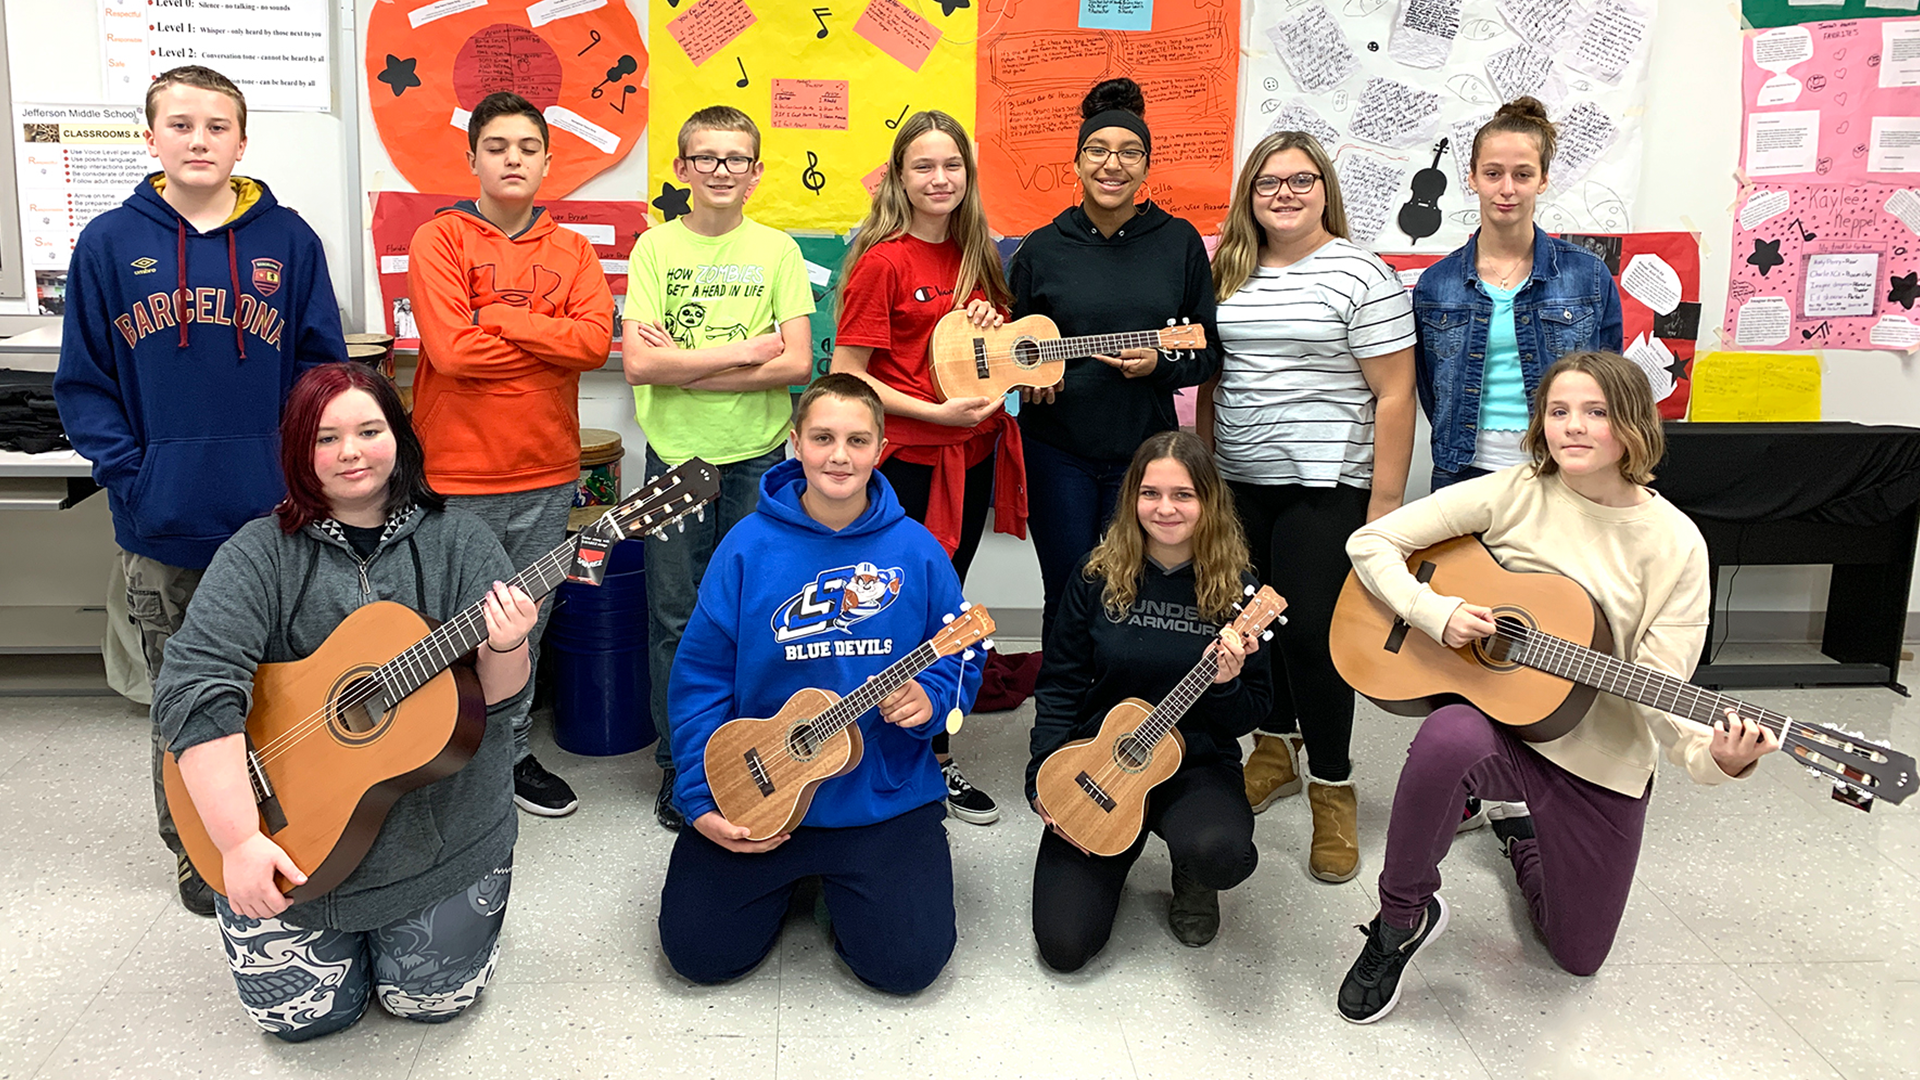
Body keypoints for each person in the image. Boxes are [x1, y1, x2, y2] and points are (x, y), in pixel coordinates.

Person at [1335, 351, 1778, 1024]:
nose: (1573, 426)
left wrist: (1714, 756)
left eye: (1596, 412)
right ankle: (1400, 918)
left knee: (1578, 955)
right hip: (1499, 730)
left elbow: (1664, 686)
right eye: (1558, 410)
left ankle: (1522, 838)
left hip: (1597, 756)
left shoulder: (1677, 543)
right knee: (1448, 736)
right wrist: (1435, 612)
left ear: (1633, 424)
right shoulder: (1514, 491)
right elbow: (1371, 543)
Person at [153, 363, 538, 1040]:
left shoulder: (462, 540)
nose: (351, 452)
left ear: (400, 437)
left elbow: (497, 704)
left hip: (441, 846)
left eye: (369, 430)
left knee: (430, 1006)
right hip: (283, 838)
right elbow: (193, 687)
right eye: (326, 438)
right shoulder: (258, 554)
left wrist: (506, 646)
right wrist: (238, 841)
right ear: (297, 451)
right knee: (299, 1022)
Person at [52, 64, 348, 916]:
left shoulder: (288, 240)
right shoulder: (110, 243)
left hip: (278, 524)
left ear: (241, 141)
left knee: (282, 691)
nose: (199, 140)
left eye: (217, 126)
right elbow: (85, 385)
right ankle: (195, 847)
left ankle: (284, 827)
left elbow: (320, 374)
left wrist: (305, 480)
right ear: (151, 138)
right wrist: (137, 479)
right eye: (180, 124)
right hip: (165, 525)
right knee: (184, 696)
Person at [657, 373, 981, 995]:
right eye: (823, 437)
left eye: (857, 440)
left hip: (879, 796)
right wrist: (699, 797)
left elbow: (960, 654)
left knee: (906, 969)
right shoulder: (745, 546)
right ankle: (805, 883)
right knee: (699, 956)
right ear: (796, 442)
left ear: (881, 448)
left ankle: (841, 888)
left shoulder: (917, 550)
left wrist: (933, 697)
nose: (839, 455)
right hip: (760, 785)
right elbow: (699, 679)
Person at [1197, 130, 1416, 884]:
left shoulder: (1363, 273)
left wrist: (1384, 509)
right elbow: (1216, 380)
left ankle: (1332, 783)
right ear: (1248, 196)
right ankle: (1273, 748)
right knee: (1252, 626)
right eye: (1267, 182)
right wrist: (1208, 475)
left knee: (1315, 638)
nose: (1284, 194)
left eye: (1300, 180)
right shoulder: (1227, 271)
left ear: (1325, 189)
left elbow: (1395, 394)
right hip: (1240, 482)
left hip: (1327, 486)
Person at [408, 91, 616, 818]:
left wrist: (497, 315)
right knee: (447, 624)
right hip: (455, 471)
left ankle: (512, 751)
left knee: (526, 622)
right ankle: (439, 753)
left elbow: (594, 344)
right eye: (496, 147)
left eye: (527, 148)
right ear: (472, 158)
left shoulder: (573, 251)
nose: (513, 159)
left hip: (547, 469)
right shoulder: (440, 240)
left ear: (548, 161)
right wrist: (547, 342)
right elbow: (451, 352)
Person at [622, 104, 815, 832]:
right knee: (673, 616)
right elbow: (640, 365)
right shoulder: (654, 249)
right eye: (706, 157)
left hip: (756, 456)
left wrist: (688, 366)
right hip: (674, 457)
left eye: (736, 158)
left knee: (755, 614)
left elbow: (796, 364)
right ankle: (681, 767)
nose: (721, 170)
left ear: (756, 172)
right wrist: (746, 351)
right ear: (682, 168)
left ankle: (745, 756)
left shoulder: (778, 250)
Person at [831, 110, 1023, 825]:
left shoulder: (981, 257)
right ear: (899, 177)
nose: (940, 179)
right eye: (924, 166)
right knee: (887, 607)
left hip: (971, 457)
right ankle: (867, 747)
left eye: (952, 166)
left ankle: (935, 755)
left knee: (947, 605)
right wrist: (932, 413)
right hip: (905, 463)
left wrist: (994, 334)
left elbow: (987, 359)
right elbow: (846, 373)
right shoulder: (882, 261)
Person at [1027, 431, 1269, 970]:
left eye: (1183, 495)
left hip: (1195, 764)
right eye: (1150, 493)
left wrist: (1227, 683)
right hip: (1101, 764)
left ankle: (1193, 872)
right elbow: (1060, 683)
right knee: (1064, 946)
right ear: (1131, 497)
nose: (1165, 509)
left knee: (1222, 854)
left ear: (1209, 502)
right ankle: (1119, 846)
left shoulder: (1240, 592)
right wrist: (1044, 773)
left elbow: (1253, 710)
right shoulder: (1095, 576)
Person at [1006, 78, 1221, 649]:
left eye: (1130, 153)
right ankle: (1058, 705)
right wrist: (1029, 385)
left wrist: (1160, 367)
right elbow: (1010, 353)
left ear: (1146, 166)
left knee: (1134, 593)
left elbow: (1206, 354)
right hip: (1056, 452)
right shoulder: (1043, 247)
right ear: (1077, 162)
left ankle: (1127, 702)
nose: (1112, 165)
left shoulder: (1178, 242)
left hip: (1145, 456)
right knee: (1066, 590)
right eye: (1098, 150)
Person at [1414, 97, 1624, 493]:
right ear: (1472, 177)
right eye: (1493, 173)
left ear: (1543, 180)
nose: (1507, 189)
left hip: (1563, 470)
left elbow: (1610, 384)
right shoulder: (1436, 284)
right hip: (1462, 472)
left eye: (1523, 175)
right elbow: (1430, 388)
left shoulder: (1587, 276)